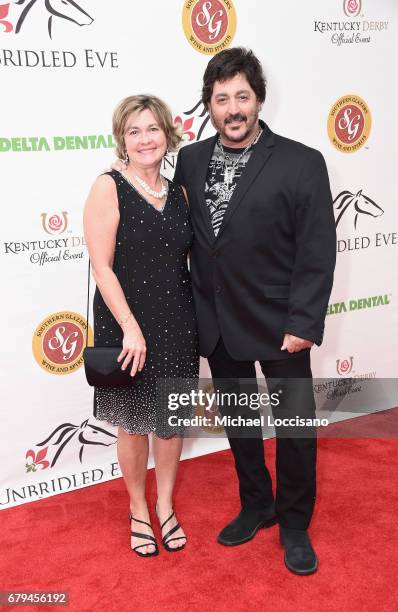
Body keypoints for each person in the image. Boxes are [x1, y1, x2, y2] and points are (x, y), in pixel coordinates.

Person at [173, 48, 336, 575]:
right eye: (222, 99)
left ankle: (293, 522)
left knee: (294, 429)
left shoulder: (301, 160)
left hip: (279, 322)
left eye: (242, 96)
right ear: (209, 106)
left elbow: (317, 250)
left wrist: (304, 322)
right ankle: (257, 504)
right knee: (241, 424)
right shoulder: (191, 160)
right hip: (218, 322)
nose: (233, 108)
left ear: (259, 100)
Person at [83, 95, 199, 557]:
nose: (145, 139)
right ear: (122, 140)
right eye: (134, 131)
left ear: (167, 134)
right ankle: (137, 509)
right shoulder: (108, 186)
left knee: (169, 422)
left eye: (152, 129)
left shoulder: (180, 191)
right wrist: (130, 327)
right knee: (132, 424)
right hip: (125, 323)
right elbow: (101, 267)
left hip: (176, 318)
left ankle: (166, 505)